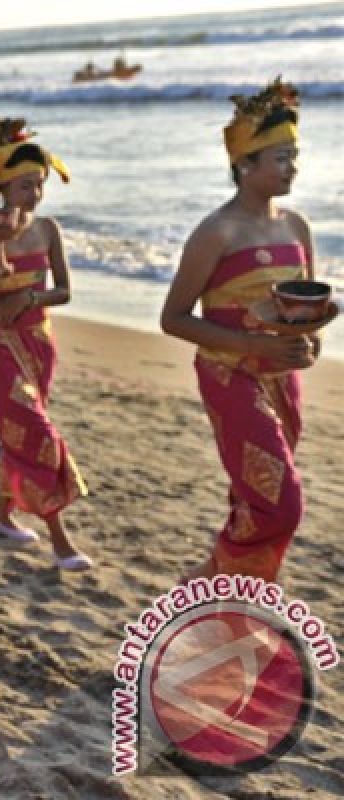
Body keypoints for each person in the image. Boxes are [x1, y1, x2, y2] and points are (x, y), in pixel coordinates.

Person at [160, 78, 317, 582]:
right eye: (281, 157)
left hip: (282, 378)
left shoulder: (297, 227)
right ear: (245, 165)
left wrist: (311, 343)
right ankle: (217, 577)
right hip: (230, 376)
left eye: (294, 155)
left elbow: (306, 308)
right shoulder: (216, 232)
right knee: (282, 502)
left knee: (255, 493)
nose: (293, 166)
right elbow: (174, 318)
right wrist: (248, 344)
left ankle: (222, 590)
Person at [0, 113, 92, 571]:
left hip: (39, 339)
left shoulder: (48, 230)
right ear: (3, 190)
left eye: (38, 184)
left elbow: (64, 290)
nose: (34, 193)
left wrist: (30, 297)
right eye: (23, 185)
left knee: (19, 432)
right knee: (36, 433)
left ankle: (3, 515)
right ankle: (59, 538)